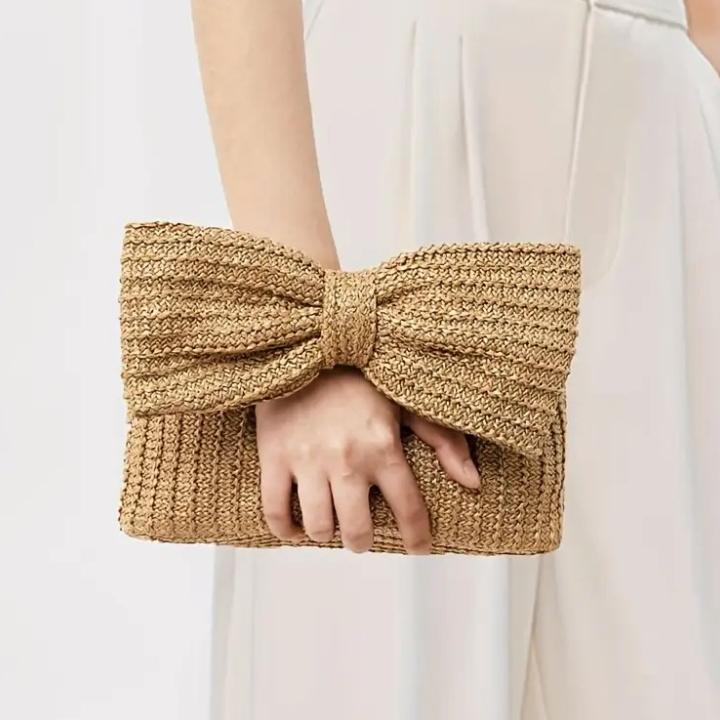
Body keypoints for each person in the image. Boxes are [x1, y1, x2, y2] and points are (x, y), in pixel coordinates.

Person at [191, 1, 720, 718]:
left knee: (665, 674)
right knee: (390, 661)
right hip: (420, 108)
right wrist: (309, 334)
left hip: (667, 122)